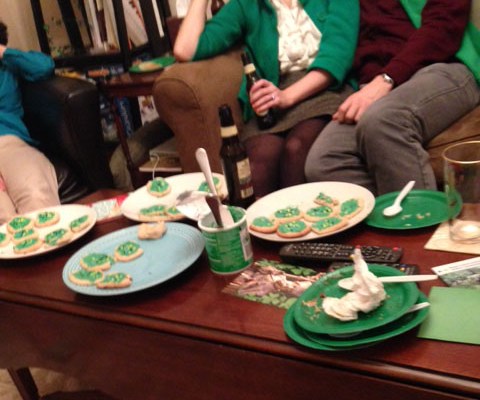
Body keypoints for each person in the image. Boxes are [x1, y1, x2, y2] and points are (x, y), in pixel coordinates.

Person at [174, 0, 359, 196]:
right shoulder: (248, 4)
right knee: (257, 164)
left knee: (296, 149)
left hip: (324, 89)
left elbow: (337, 56)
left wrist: (286, 97)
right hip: (272, 97)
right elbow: (185, 50)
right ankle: (255, 217)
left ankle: (298, 216)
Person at [305, 0, 480, 196]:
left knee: (383, 120)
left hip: (440, 68)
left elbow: (444, 26)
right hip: (374, 84)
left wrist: (388, 78)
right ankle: (394, 212)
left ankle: (418, 214)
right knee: (325, 161)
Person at [0, 21, 59, 224]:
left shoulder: (7, 65)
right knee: (4, 215)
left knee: (36, 193)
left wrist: (3, 52)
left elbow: (44, 66)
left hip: (10, 144)